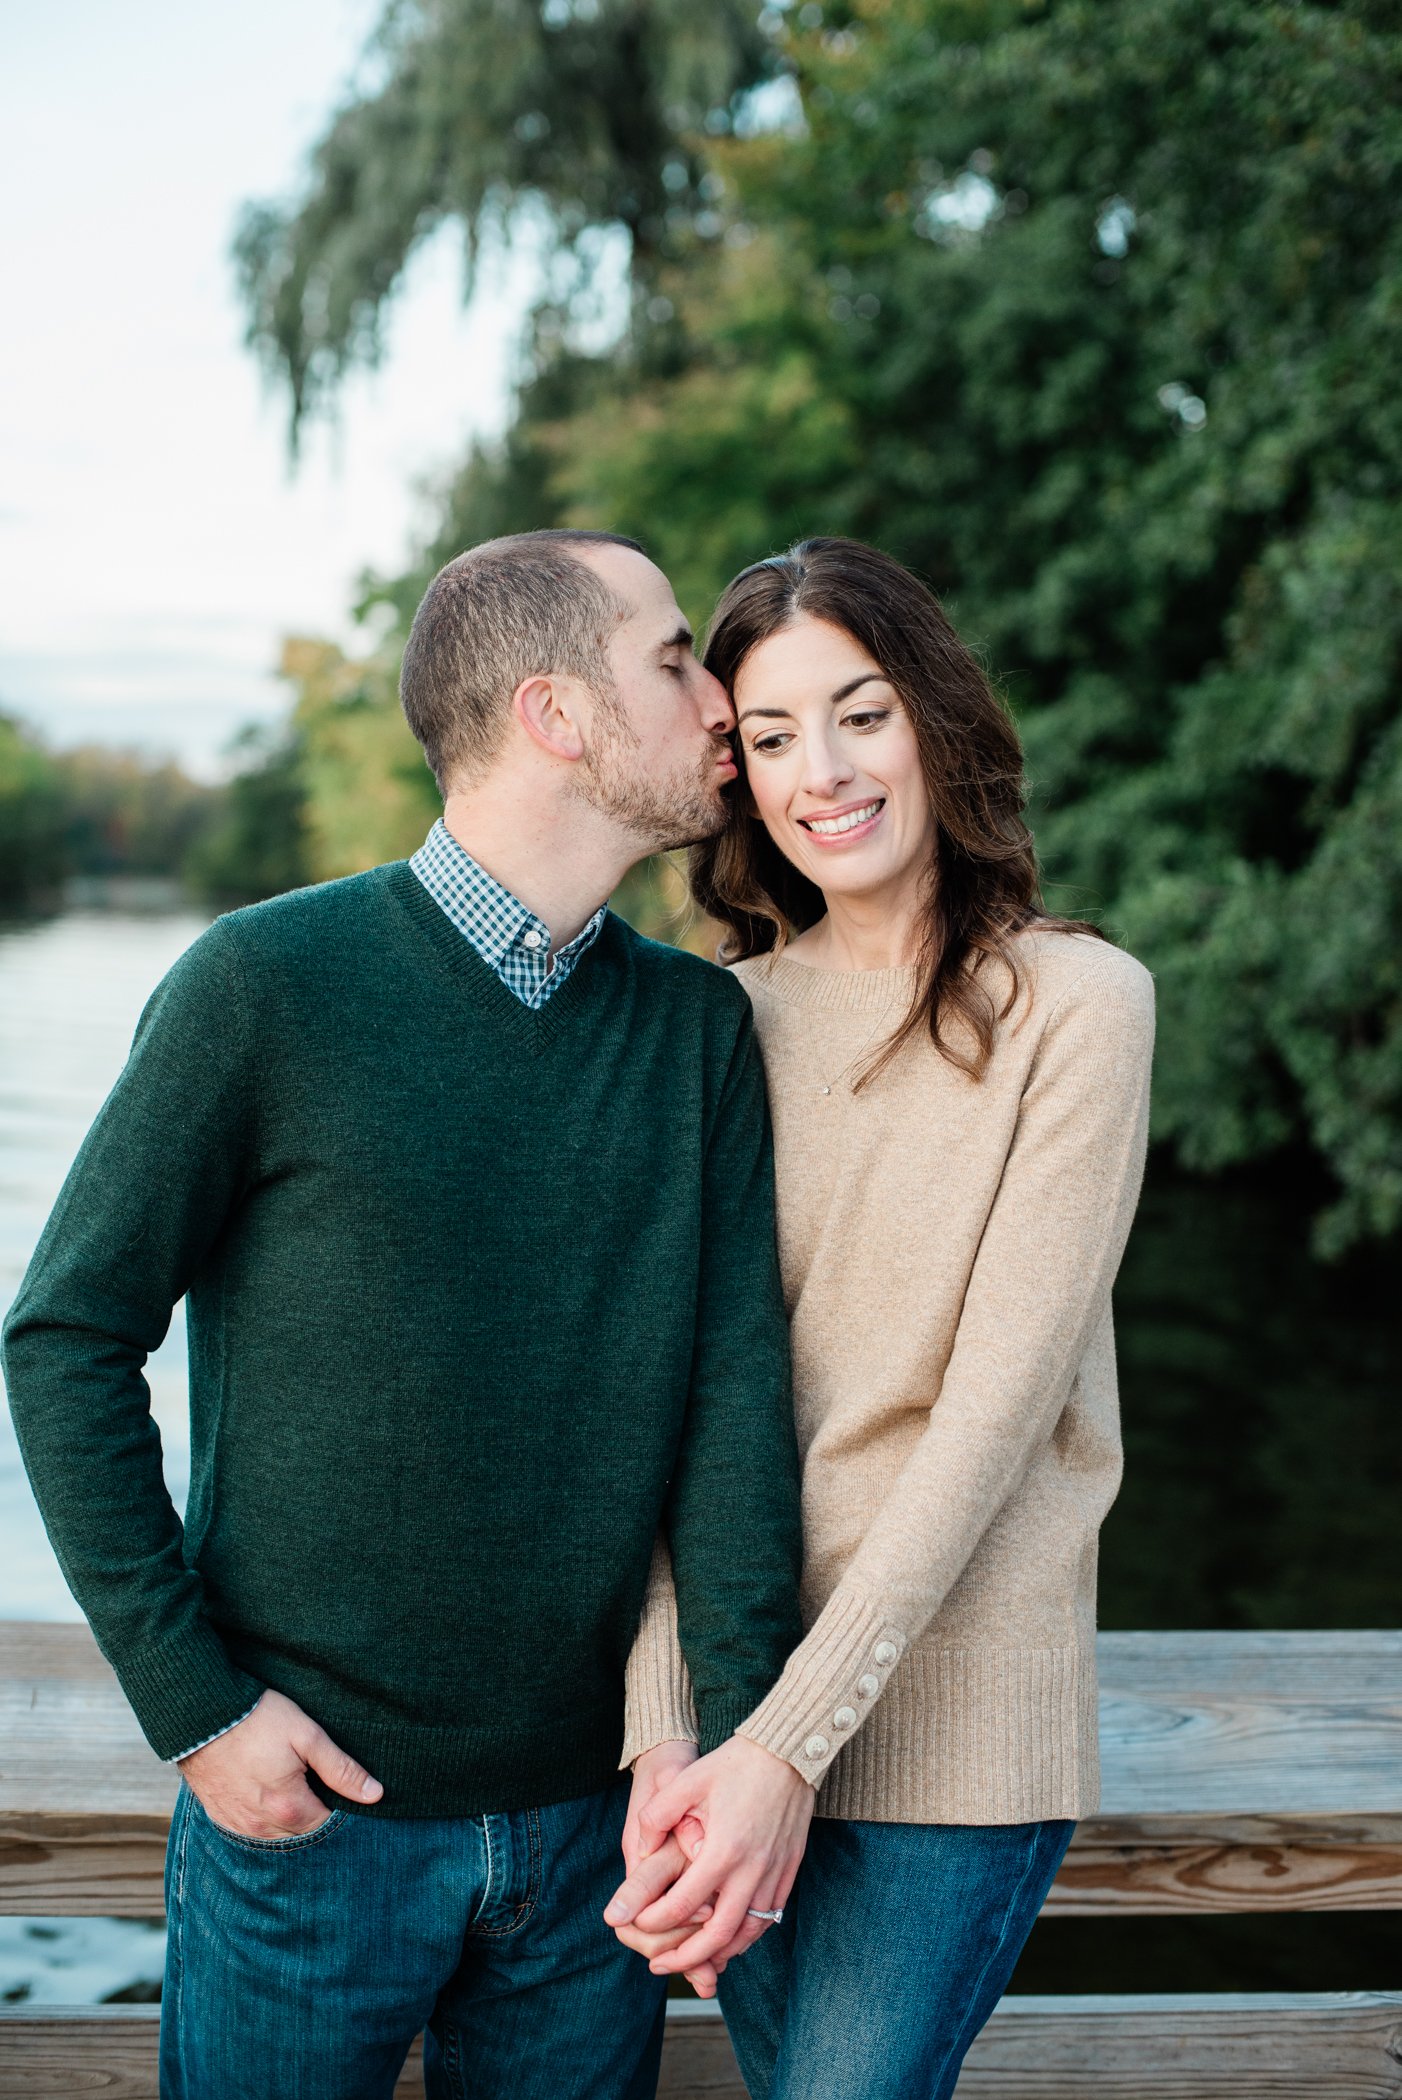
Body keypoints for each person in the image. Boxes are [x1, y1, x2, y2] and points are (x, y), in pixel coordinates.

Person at [1, 530, 816, 2100]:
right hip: (310, 1830)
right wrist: (197, 1709)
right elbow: (65, 1338)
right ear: (553, 714)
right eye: (670, 658)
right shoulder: (265, 985)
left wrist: (707, 1740)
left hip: (600, 1839)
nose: (719, 699)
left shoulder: (693, 1031)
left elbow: (730, 1407)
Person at [604, 537, 1156, 2098]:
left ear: (932, 716)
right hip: (730, 1716)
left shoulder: (1077, 1006)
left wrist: (787, 1745)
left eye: (858, 713)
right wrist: (669, 1734)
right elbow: (674, 1408)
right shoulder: (722, 1017)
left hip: (950, 1731)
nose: (820, 773)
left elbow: (989, 1423)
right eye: (769, 737)